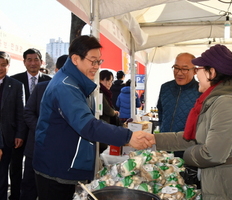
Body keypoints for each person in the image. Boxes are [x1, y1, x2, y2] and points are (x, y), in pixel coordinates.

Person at [32, 35, 155, 200]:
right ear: (76, 59)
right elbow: (87, 125)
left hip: (66, 164)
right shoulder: (65, 87)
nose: (96, 66)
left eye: (99, 61)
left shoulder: (76, 83)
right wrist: (127, 137)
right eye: (93, 61)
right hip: (58, 168)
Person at [153, 44, 232, 199]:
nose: (196, 72)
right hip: (229, 187)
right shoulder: (216, 100)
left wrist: (182, 157)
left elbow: (212, 154)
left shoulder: (227, 103)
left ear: (211, 72)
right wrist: (154, 139)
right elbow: (196, 138)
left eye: (198, 68)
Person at [20, 54, 68, 200]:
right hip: (36, 146)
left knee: (51, 190)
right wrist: (42, 130)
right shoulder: (42, 88)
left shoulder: (78, 92)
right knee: (29, 186)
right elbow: (28, 112)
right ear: (57, 69)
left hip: (60, 153)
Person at [10, 48, 52, 200]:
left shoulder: (49, 82)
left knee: (34, 170)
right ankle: (14, 196)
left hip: (39, 133)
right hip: (17, 133)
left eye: (36, 60)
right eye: (29, 60)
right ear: (24, 62)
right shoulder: (14, 81)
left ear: (41, 62)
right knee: (15, 167)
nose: (33, 63)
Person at [157, 52, 201, 158]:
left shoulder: (200, 91)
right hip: (164, 146)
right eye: (176, 68)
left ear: (195, 71)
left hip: (188, 149)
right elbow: (161, 113)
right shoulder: (165, 88)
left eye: (185, 69)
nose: (179, 73)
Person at [0, 51, 26, 200]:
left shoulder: (16, 85)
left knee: (3, 173)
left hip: (8, 137)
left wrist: (19, 134)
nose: (0, 68)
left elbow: (20, 113)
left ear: (8, 66)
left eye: (4, 65)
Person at [99, 69, 120, 153]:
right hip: (102, 124)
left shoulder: (105, 92)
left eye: (111, 81)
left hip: (105, 124)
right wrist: (114, 112)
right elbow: (107, 110)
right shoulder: (99, 92)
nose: (109, 83)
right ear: (100, 79)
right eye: (107, 80)